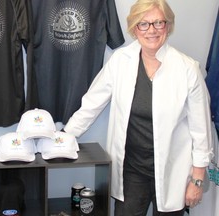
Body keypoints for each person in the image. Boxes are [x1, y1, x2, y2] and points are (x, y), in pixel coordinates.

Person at [62, 0, 214, 215]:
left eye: (158, 23)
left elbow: (201, 129)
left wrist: (196, 180)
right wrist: (64, 138)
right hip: (131, 171)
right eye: (143, 24)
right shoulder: (120, 62)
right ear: (134, 28)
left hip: (173, 172)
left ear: (168, 26)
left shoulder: (188, 69)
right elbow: (91, 106)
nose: (151, 30)